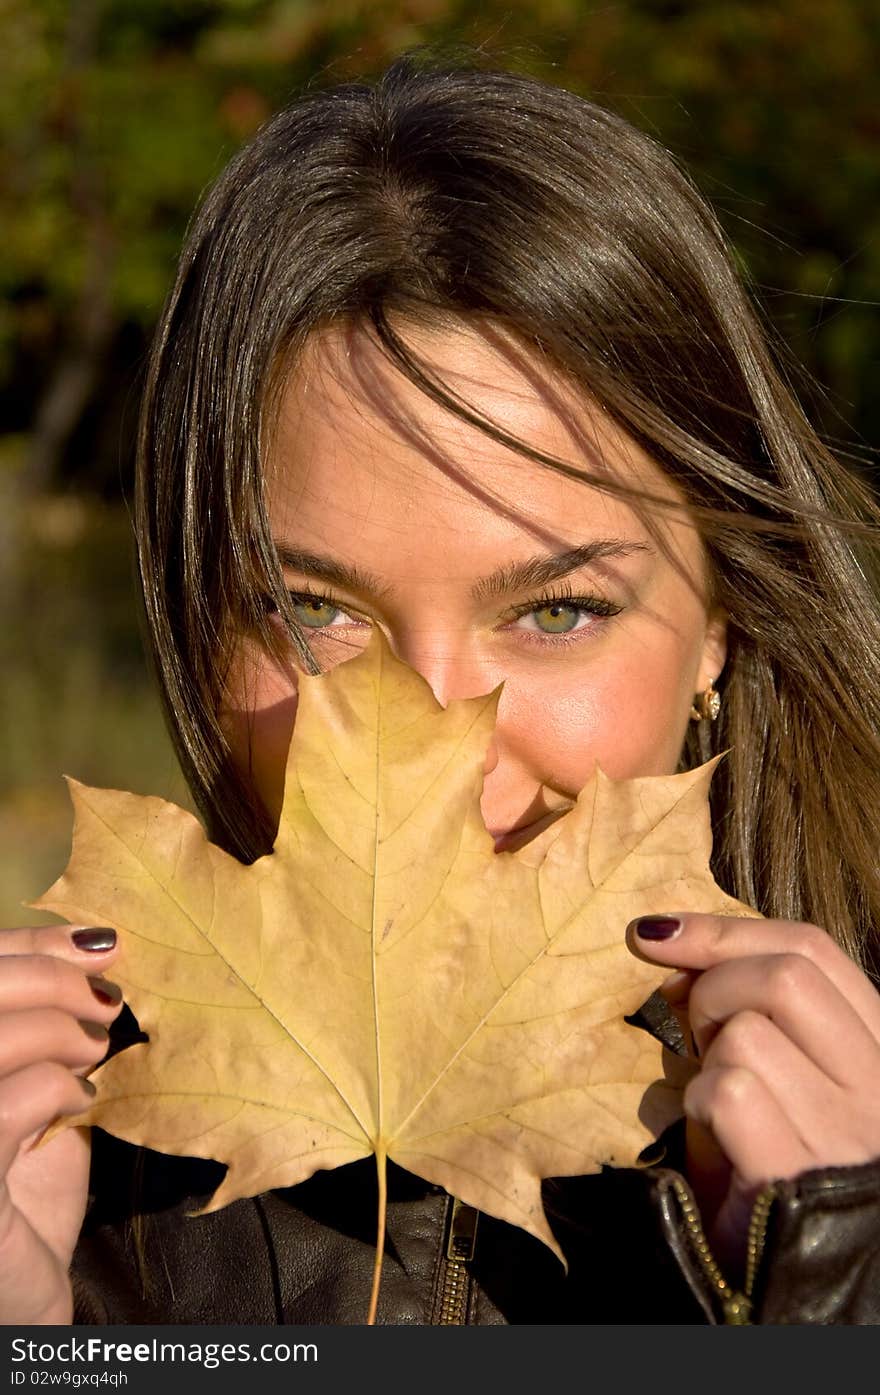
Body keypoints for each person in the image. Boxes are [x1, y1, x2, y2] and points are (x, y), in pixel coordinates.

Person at [4, 45, 880, 1328]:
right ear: (194, 618)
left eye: (555, 611)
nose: (436, 757)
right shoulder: (83, 1187)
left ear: (721, 628)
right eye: (309, 610)